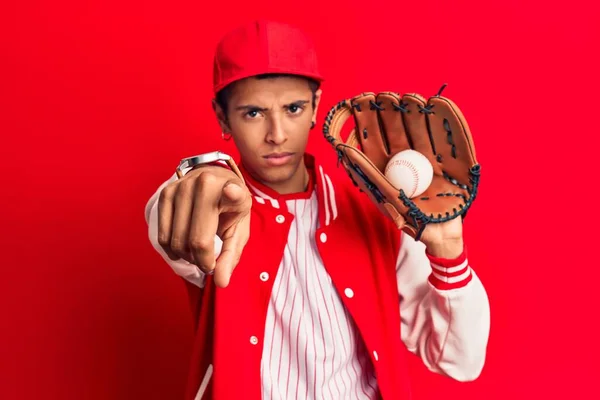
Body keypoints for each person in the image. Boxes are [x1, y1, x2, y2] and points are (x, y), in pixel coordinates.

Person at [144, 19, 490, 400]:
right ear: (223, 117)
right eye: (253, 113)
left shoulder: (377, 214)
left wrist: (449, 250)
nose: (277, 133)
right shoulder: (222, 217)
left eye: (293, 108)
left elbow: (460, 359)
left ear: (316, 106)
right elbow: (172, 215)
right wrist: (201, 177)